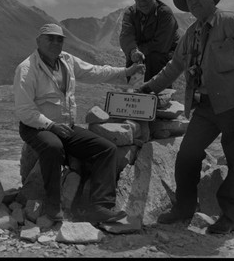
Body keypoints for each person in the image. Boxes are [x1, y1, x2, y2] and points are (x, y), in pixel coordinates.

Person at [136, 0, 234, 234]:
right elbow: (174, 67)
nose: (194, 3)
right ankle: (184, 209)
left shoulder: (232, 21)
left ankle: (229, 218)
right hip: (205, 106)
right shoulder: (191, 34)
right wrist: (147, 88)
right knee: (187, 155)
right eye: (190, 1)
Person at [14, 23, 145, 224]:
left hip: (65, 126)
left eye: (59, 39)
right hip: (36, 128)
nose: (55, 43)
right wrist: (50, 126)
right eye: (50, 38)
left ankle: (101, 207)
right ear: (39, 41)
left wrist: (126, 71)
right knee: (53, 147)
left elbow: (94, 72)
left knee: (106, 149)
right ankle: (52, 205)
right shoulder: (27, 69)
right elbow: (25, 110)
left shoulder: (66, 60)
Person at [119, 0, 180, 83]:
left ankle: (158, 95)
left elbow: (162, 44)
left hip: (164, 55)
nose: (143, 1)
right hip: (143, 52)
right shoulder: (130, 13)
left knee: (155, 58)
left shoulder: (165, 13)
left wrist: (139, 50)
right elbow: (126, 36)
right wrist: (133, 52)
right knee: (132, 62)